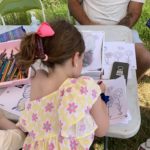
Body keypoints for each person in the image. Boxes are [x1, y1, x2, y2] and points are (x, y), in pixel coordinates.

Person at [0, 20, 109, 150]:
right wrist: (99, 98)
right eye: (82, 59)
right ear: (75, 59)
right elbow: (101, 131)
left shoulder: (37, 79)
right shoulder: (84, 86)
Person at [68, 0, 150, 81]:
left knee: (144, 58)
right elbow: (73, 3)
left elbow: (134, 13)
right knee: (68, 56)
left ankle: (129, 84)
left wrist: (113, 32)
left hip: (121, 29)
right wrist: (90, 25)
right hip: (86, 27)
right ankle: (77, 86)